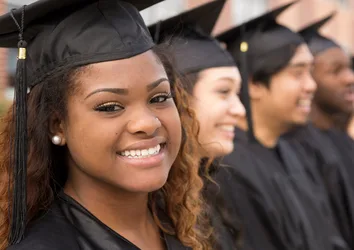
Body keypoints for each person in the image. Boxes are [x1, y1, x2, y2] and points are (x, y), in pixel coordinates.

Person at [0, 0, 212, 249]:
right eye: (110, 106)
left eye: (159, 98)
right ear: (57, 125)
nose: (147, 123)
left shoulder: (177, 224)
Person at [215, 1, 348, 250]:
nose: (311, 85)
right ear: (254, 83)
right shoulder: (229, 170)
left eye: (310, 72)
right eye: (297, 73)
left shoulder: (296, 152)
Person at [149, 1, 245, 249]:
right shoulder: (152, 208)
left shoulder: (206, 188)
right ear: (179, 100)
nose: (240, 110)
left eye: (238, 93)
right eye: (224, 91)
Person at [284, 13, 354, 249]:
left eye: (349, 68)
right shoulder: (297, 148)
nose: (349, 78)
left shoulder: (341, 139)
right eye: (336, 71)